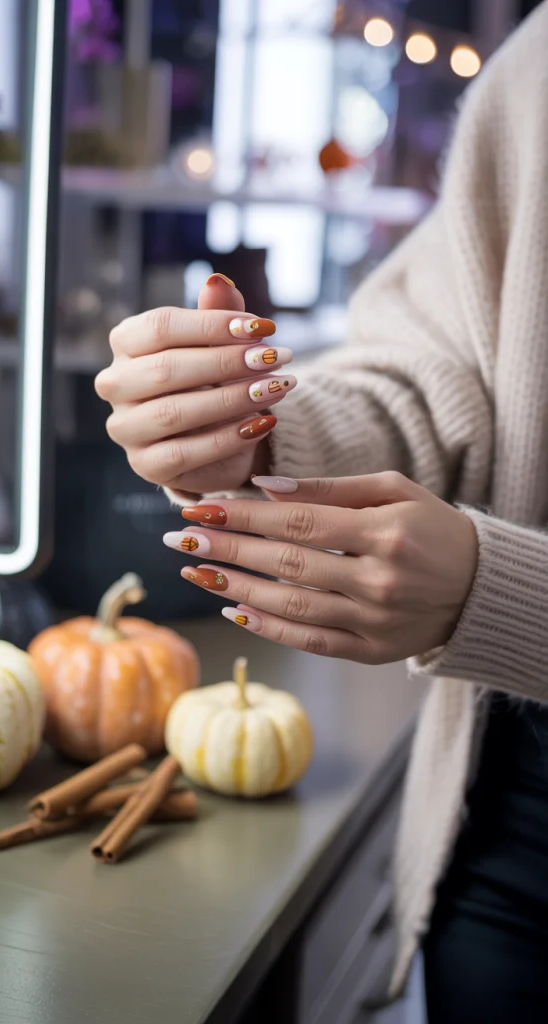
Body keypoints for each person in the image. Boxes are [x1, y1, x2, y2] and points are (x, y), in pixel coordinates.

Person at [95, 4, 548, 1020]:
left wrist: (505, 596)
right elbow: (434, 375)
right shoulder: (541, 69)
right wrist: (257, 435)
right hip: (513, 827)